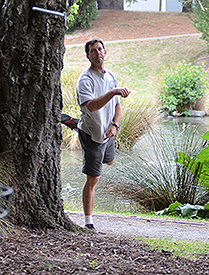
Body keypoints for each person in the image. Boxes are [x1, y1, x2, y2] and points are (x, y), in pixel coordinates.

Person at [76, 38, 131, 230]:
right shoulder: (86, 80)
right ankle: (88, 222)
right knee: (93, 179)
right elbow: (91, 106)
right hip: (91, 134)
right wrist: (113, 91)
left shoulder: (111, 77)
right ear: (88, 56)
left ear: (105, 53)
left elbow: (117, 106)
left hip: (108, 132)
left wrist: (115, 125)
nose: (97, 52)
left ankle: (75, 122)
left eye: (100, 49)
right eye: (93, 51)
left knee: (109, 161)